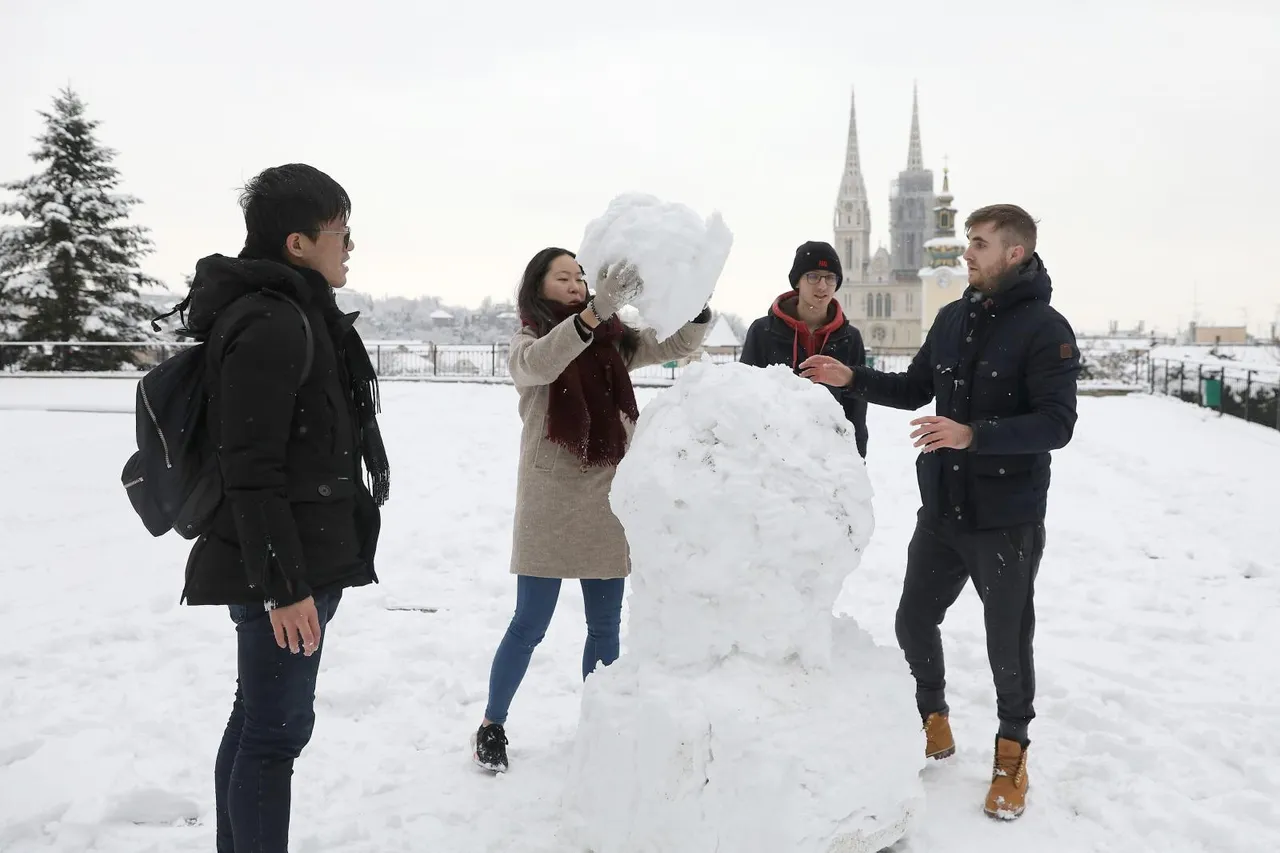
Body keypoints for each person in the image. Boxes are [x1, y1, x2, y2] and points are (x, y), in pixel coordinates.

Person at [800, 204, 1079, 820]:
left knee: (1007, 641)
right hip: (942, 513)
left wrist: (972, 434)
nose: (966, 253)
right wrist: (853, 377)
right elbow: (914, 387)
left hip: (1006, 517)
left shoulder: (1046, 328)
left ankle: (1012, 754)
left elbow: (1057, 425)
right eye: (968, 242)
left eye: (978, 244)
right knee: (911, 622)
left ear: (1014, 253)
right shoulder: (952, 318)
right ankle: (934, 718)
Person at [179, 163, 390, 852]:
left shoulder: (298, 312)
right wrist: (285, 586)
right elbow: (251, 467)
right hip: (281, 567)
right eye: (341, 232)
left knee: (257, 721)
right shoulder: (271, 321)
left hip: (296, 556)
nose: (350, 245)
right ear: (299, 243)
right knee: (274, 735)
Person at [472, 247, 712, 772]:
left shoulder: (611, 343)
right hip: (549, 500)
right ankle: (492, 723)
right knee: (528, 623)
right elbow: (541, 364)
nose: (577, 283)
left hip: (607, 495)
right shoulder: (529, 341)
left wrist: (694, 305)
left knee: (605, 628)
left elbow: (667, 345)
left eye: (581, 276)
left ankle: (600, 726)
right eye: (565, 278)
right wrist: (592, 314)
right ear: (539, 288)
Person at [740, 240, 869, 457]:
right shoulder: (763, 331)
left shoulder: (850, 338)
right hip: (771, 455)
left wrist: (857, 459)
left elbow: (856, 409)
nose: (822, 286)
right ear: (797, 281)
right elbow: (744, 396)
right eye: (813, 276)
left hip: (827, 458)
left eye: (830, 278)